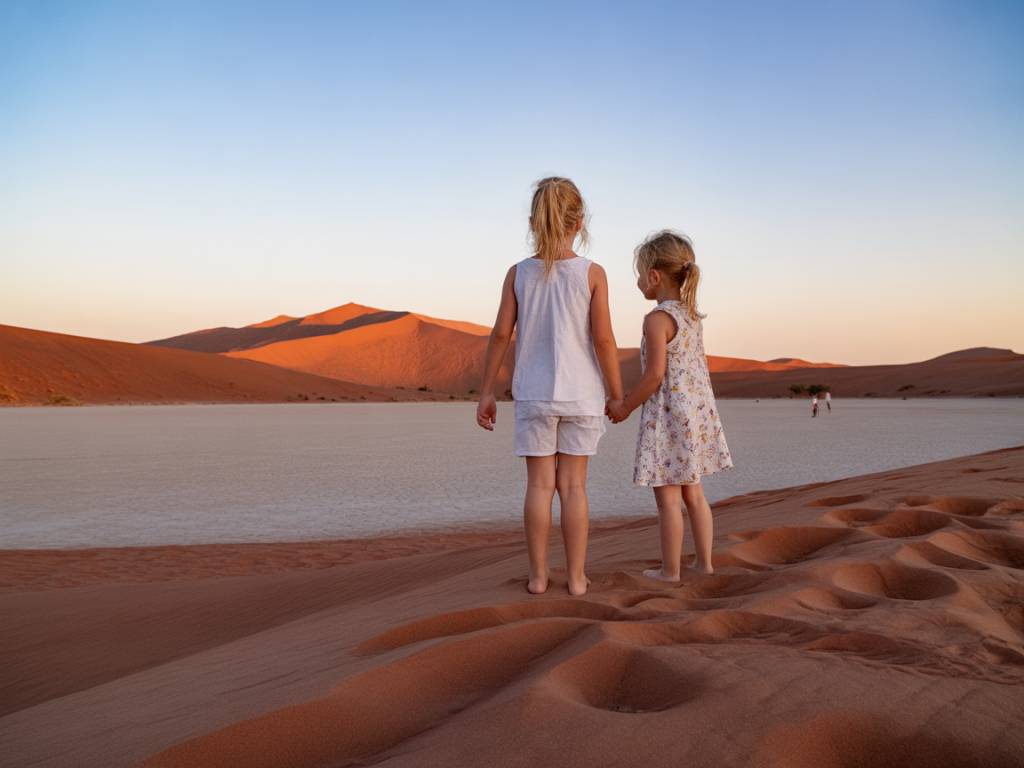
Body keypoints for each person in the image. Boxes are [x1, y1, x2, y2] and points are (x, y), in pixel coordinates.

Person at [477, 177, 623, 596]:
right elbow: (604, 340)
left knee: (539, 486)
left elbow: (501, 334)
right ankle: (576, 578)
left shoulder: (518, 273)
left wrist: (486, 391)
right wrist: (617, 394)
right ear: (579, 222)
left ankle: (538, 577)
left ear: (532, 223)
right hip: (582, 394)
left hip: (534, 394)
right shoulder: (592, 273)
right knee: (574, 487)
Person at [607, 231, 733, 581]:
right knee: (695, 495)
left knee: (667, 501)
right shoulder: (692, 316)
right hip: (694, 418)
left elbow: (654, 376)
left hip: (668, 419)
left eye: (639, 274)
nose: (637, 281)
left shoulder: (657, 320)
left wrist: (625, 406)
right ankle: (704, 564)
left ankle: (670, 571)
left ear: (654, 276)